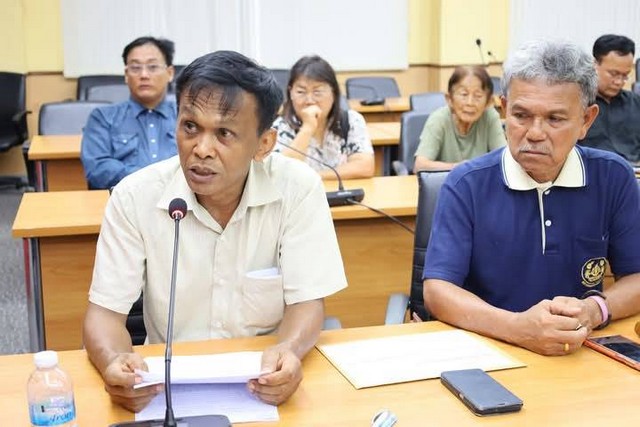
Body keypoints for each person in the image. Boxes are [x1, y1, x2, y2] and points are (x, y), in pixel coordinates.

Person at [82, 50, 347, 412]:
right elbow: (104, 314)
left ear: (264, 144)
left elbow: (307, 303)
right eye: (190, 127)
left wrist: (288, 349)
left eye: (224, 133)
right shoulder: (134, 197)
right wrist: (114, 360)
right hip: (165, 389)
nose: (201, 150)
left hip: (261, 384)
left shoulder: (297, 190)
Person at [422, 40, 640, 356]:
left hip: (577, 349)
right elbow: (437, 290)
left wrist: (595, 310)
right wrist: (517, 329)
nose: (535, 133)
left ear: (586, 120)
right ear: (503, 109)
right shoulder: (466, 183)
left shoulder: (613, 177)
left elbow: (636, 277)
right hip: (488, 348)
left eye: (555, 119)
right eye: (521, 115)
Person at [80, 36, 178, 189]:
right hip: (124, 198)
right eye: (135, 68)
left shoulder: (186, 116)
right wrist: (152, 179)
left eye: (152, 67)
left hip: (181, 198)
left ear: (170, 73)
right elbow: (97, 169)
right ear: (126, 75)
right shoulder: (103, 117)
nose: (144, 75)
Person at [272, 55, 374, 179]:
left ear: (334, 93)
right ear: (290, 93)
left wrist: (317, 178)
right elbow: (281, 172)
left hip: (341, 191)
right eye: (301, 92)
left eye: (317, 92)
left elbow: (365, 166)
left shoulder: (351, 121)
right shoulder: (279, 128)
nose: (309, 100)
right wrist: (307, 128)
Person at [413, 66, 506, 172]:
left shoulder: (490, 117)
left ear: (489, 102)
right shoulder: (439, 119)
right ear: (449, 99)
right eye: (464, 94)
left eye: (478, 96)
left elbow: (503, 160)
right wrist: (459, 168)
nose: (470, 103)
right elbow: (420, 166)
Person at [578, 34, 640, 163]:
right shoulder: (576, 103)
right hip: (591, 170)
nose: (619, 82)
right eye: (614, 74)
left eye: (625, 75)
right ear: (594, 65)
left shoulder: (636, 103)